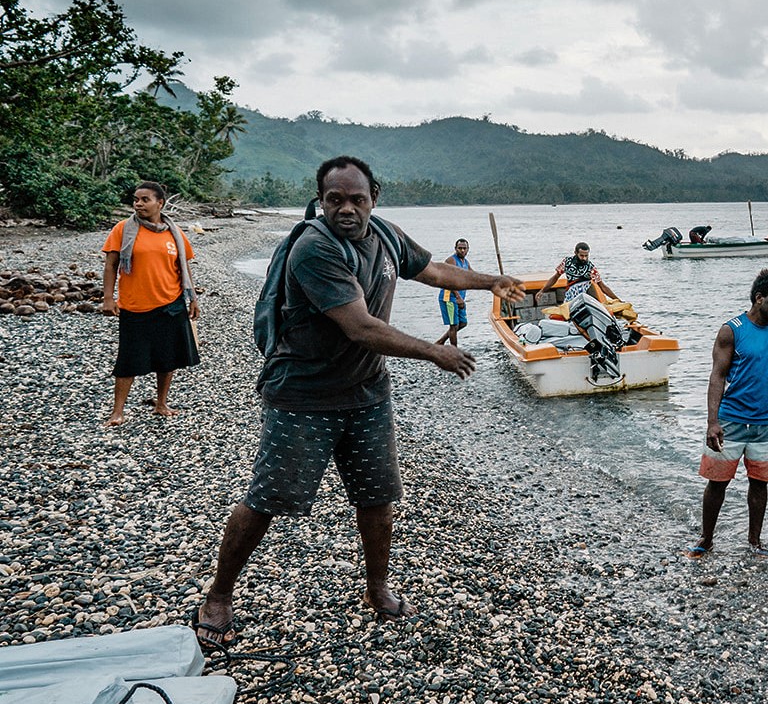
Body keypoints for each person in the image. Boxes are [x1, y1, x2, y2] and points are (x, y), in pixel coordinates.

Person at [192, 157, 524, 648]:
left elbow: (430, 270)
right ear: (321, 200)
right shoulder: (314, 249)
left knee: (377, 499)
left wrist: (490, 281)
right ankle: (218, 595)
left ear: (375, 197)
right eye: (335, 200)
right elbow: (360, 327)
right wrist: (435, 350)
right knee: (267, 499)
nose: (346, 209)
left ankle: (376, 589)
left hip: (367, 393)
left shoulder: (385, 235)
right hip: (303, 396)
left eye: (357, 200)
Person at [689, 268, 768, 558]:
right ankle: (706, 539)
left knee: (760, 484)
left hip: (767, 422)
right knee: (717, 482)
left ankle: (755, 542)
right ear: (759, 298)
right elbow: (717, 376)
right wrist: (712, 421)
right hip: (731, 421)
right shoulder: (732, 330)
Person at [100, 181, 200, 426]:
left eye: (145, 200)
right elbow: (111, 265)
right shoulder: (123, 229)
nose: (138, 204)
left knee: (168, 357)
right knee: (128, 360)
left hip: (171, 303)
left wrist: (193, 298)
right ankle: (117, 411)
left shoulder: (174, 232)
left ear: (160, 203)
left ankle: (161, 403)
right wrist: (108, 297)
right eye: (136, 199)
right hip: (135, 306)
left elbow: (183, 267)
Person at [536, 242, 618, 305]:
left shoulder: (591, 268)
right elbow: (555, 277)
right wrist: (543, 290)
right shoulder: (567, 262)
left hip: (585, 298)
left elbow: (602, 286)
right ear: (575, 253)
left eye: (586, 255)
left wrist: (617, 300)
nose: (584, 258)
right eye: (582, 255)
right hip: (570, 296)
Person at [434, 238, 471, 346]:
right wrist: (458, 297)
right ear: (455, 249)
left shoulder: (466, 262)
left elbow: (473, 275)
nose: (462, 251)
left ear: (468, 249)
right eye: (460, 248)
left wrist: (490, 282)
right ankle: (454, 351)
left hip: (459, 298)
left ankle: (440, 341)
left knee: (463, 323)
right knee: (454, 325)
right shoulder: (452, 261)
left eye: (464, 248)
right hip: (449, 298)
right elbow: (447, 280)